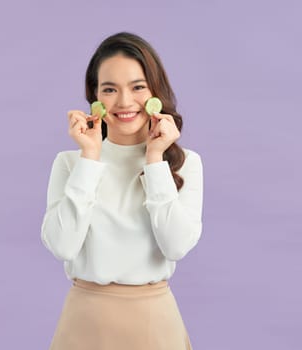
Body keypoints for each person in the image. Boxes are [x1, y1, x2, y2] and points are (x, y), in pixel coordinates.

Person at [40, 32, 203, 350]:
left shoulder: (186, 163)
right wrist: (90, 157)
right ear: (95, 98)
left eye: (138, 87)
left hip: (155, 324)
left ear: (156, 92)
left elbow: (176, 246)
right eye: (110, 89)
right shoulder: (70, 163)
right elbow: (62, 246)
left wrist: (155, 159)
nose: (125, 101)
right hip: (84, 322)